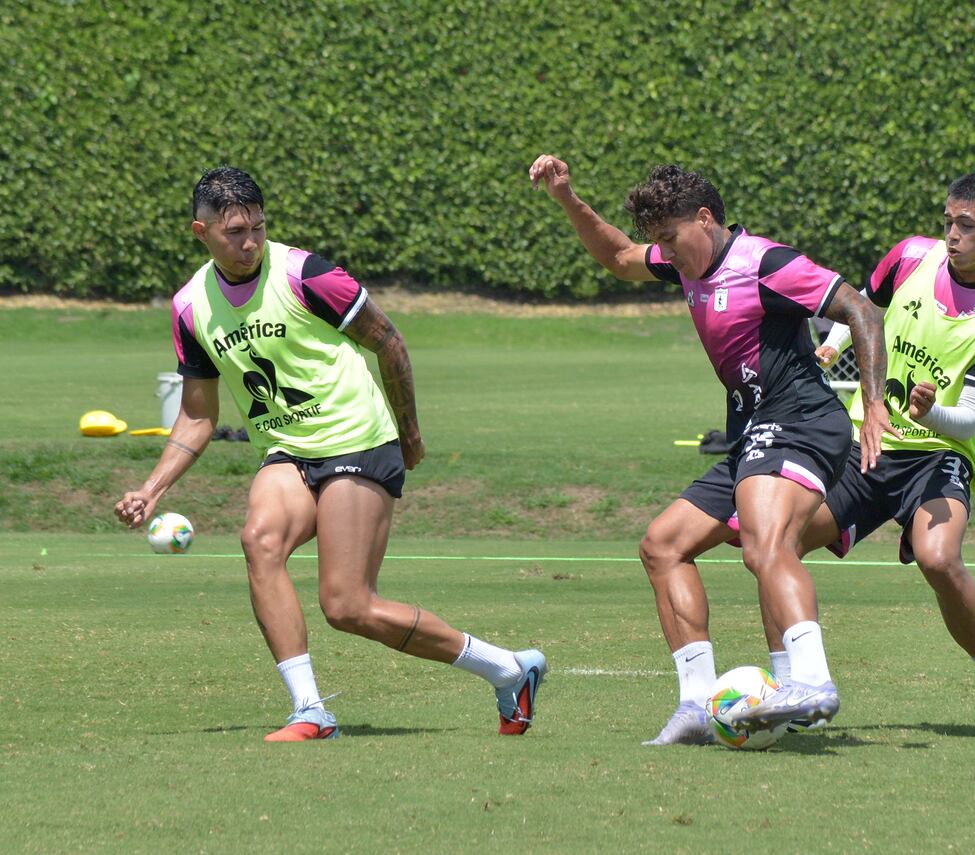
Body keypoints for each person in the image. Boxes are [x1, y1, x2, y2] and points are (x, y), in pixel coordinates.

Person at [115, 166, 545, 741]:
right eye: (234, 232)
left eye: (258, 228)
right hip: (288, 451)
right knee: (258, 540)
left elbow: (387, 339)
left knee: (347, 606)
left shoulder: (306, 274)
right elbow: (197, 413)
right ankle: (311, 711)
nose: (249, 243)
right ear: (201, 232)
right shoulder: (191, 305)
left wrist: (409, 430)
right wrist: (152, 487)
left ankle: (507, 669)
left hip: (357, 439)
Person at [528, 154, 896, 743]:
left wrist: (874, 403)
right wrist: (568, 199)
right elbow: (620, 259)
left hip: (801, 421)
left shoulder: (765, 263)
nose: (664, 252)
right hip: (752, 433)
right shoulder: (686, 264)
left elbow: (861, 311)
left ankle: (814, 682)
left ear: (705, 219)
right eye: (659, 242)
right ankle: (698, 705)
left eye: (670, 238)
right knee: (662, 546)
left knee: (766, 543)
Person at [794, 171, 975, 741]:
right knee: (778, 544)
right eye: (948, 222)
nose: (952, 235)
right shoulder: (909, 257)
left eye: (967, 225)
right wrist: (831, 345)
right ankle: (793, 688)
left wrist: (927, 412)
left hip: (940, 454)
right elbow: (863, 310)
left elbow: (966, 419)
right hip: (872, 442)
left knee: (940, 560)